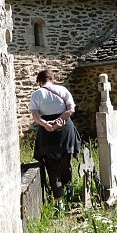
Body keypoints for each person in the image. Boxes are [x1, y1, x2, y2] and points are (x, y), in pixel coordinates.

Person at [29, 69, 80, 212]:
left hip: (47, 133)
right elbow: (71, 110)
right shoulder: (62, 90)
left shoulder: (36, 94)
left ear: (40, 82)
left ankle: (59, 202)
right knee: (66, 161)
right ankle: (69, 189)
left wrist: (46, 124)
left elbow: (35, 115)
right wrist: (60, 120)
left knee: (52, 168)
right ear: (52, 79)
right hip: (65, 130)